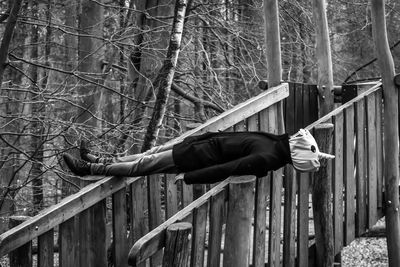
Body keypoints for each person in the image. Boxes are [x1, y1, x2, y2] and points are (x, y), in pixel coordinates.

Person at [63, 129, 334, 184]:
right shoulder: (275, 142)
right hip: (196, 147)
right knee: (146, 154)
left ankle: (88, 168)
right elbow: (235, 135)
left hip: (195, 159)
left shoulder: (266, 158)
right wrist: (200, 136)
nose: (299, 137)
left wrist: (190, 176)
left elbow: (228, 168)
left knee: (142, 165)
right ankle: (98, 158)